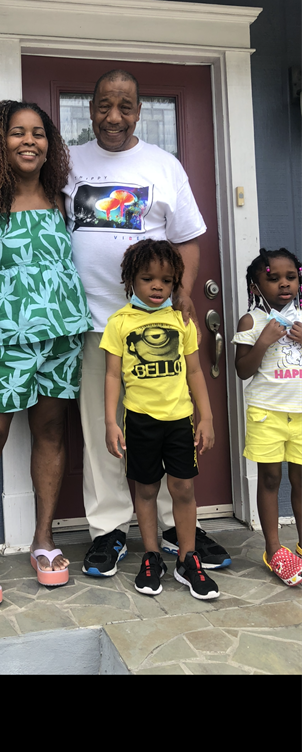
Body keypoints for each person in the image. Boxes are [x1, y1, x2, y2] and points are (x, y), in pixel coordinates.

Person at [0, 70, 231, 575]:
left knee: (163, 422)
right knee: (104, 434)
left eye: (125, 106)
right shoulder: (67, 165)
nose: (114, 116)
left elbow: (187, 237)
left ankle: (171, 525)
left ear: (139, 111)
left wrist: (184, 295)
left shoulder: (162, 166)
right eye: (103, 105)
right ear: (90, 108)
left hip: (137, 325)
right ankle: (109, 530)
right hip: (91, 323)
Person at [0, 100, 93, 607]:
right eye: (17, 133)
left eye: (39, 133)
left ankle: (44, 541)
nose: (30, 141)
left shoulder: (64, 199)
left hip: (60, 340)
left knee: (51, 433)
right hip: (2, 345)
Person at [101, 238, 220, 598]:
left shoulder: (181, 320)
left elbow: (195, 372)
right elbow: (111, 376)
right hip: (140, 421)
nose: (157, 287)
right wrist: (111, 422)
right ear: (130, 281)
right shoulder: (119, 323)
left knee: (183, 489)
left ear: (175, 283)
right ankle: (152, 556)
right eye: (147, 279)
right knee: (147, 490)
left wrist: (207, 417)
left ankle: (188, 559)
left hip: (179, 420)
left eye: (166, 281)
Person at [232, 247, 302, 586]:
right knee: (271, 479)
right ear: (255, 286)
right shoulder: (252, 321)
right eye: (273, 279)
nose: (284, 285)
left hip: (301, 412)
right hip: (266, 412)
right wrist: (262, 341)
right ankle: (274, 549)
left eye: (290, 278)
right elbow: (242, 370)